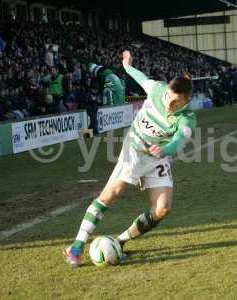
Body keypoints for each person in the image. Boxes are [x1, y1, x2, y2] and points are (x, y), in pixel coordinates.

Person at [63, 50, 196, 267]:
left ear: (186, 101)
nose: (169, 104)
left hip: (158, 157)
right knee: (112, 194)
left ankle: (120, 241)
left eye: (176, 102)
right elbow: (141, 78)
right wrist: (126, 67)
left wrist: (167, 150)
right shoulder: (157, 90)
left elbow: (180, 140)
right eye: (169, 98)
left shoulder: (188, 118)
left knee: (163, 208)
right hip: (134, 149)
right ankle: (77, 247)